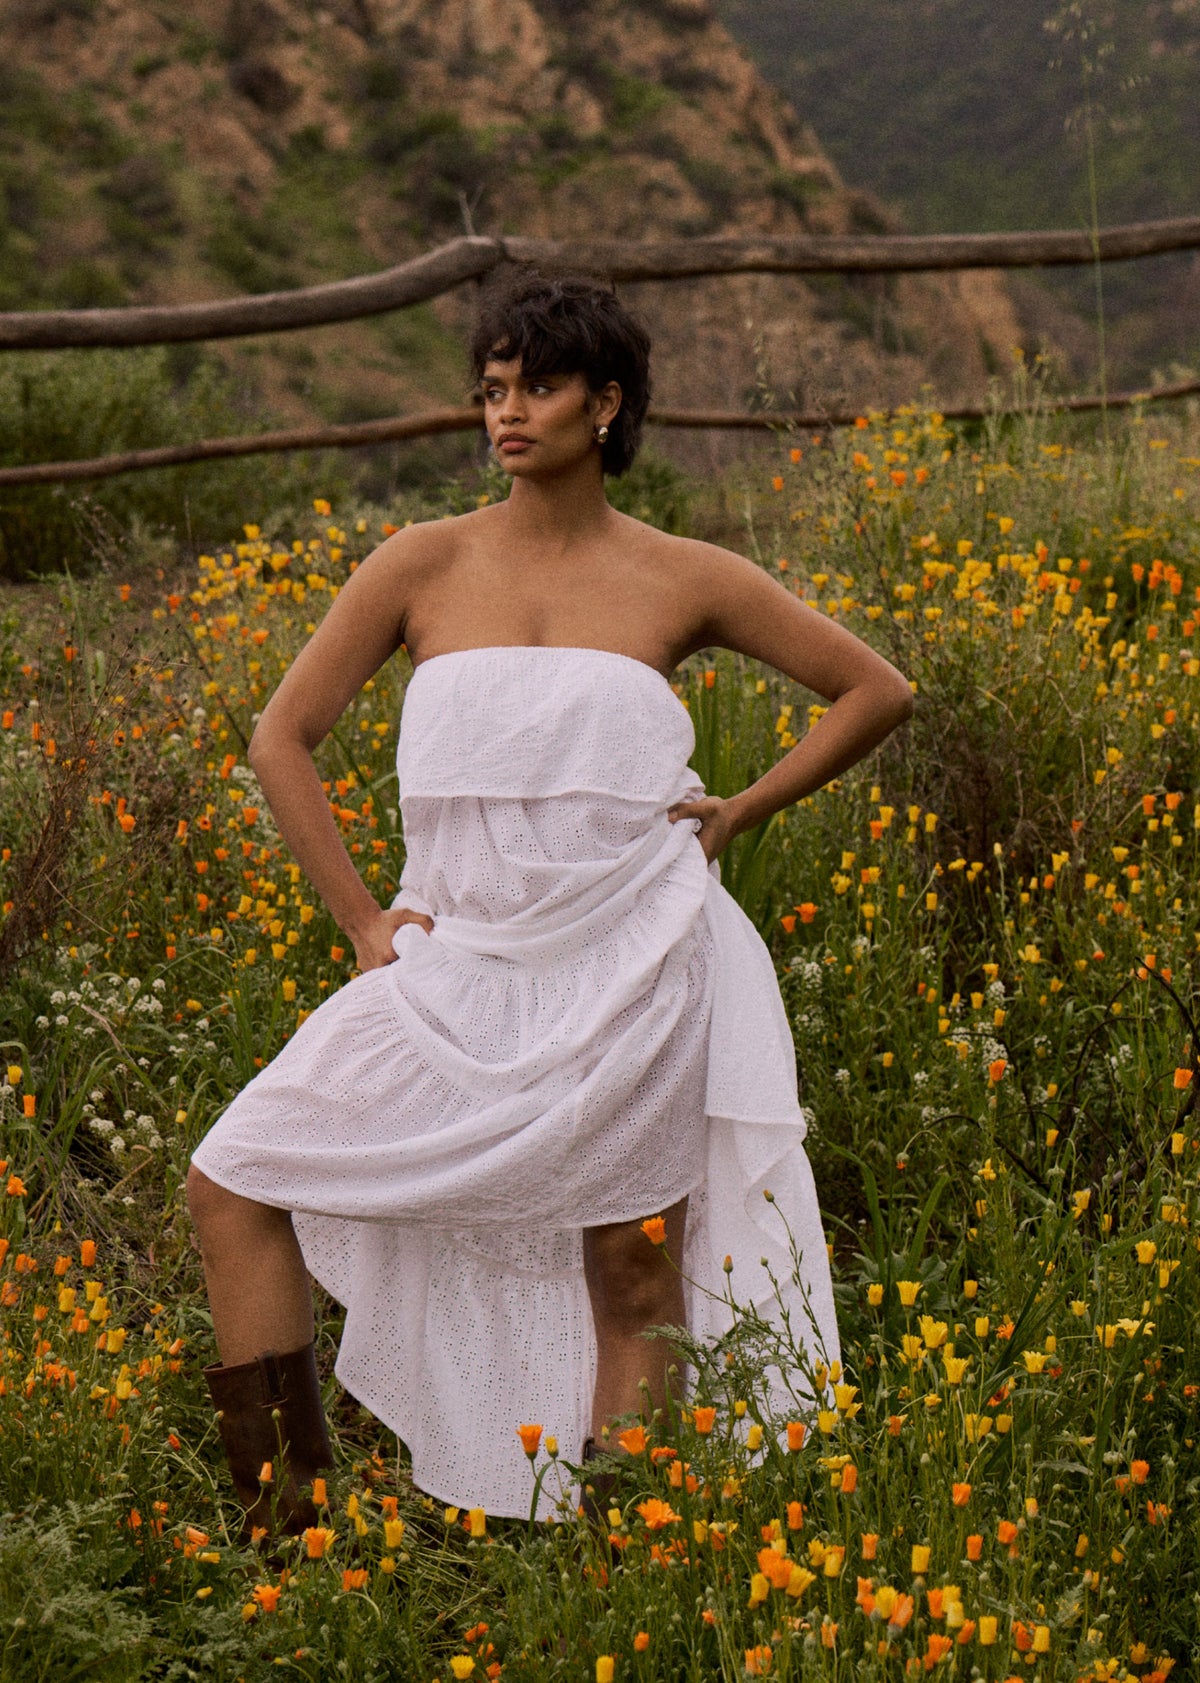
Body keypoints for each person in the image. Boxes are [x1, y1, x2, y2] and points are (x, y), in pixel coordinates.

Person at [186, 269, 913, 1535]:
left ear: (607, 403)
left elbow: (876, 689)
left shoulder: (681, 573)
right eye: (492, 389)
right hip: (458, 963)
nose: (507, 413)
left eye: (538, 386)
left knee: (630, 1272)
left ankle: (628, 1568)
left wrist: (739, 810)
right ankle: (283, 1534)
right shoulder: (420, 562)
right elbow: (279, 737)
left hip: (639, 960)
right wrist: (363, 922)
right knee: (234, 1179)